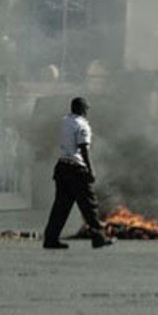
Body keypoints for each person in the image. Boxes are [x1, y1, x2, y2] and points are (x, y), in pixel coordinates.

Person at [41, 97, 112, 249]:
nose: (87, 112)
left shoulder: (65, 121)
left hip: (62, 167)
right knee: (89, 205)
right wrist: (90, 170)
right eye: (86, 109)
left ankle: (50, 239)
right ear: (81, 109)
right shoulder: (82, 126)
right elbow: (84, 149)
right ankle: (99, 237)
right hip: (76, 169)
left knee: (60, 207)